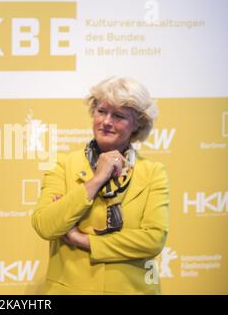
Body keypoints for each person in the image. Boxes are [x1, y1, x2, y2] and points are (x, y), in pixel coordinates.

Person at [32, 76, 169, 294]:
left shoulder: (153, 173)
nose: (106, 121)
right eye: (101, 111)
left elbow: (153, 240)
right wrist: (96, 179)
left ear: (137, 125)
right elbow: (46, 225)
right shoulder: (63, 164)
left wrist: (83, 240)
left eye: (118, 116)